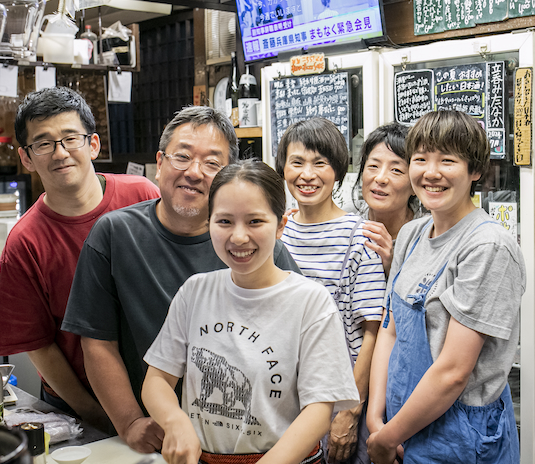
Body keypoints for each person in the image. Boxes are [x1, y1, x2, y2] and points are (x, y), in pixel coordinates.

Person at [62, 106, 300, 454]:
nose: (194, 172)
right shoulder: (114, 235)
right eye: (182, 156)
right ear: (160, 162)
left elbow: (295, 353)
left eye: (212, 163)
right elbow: (97, 342)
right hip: (158, 441)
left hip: (247, 444)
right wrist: (129, 422)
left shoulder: (257, 248)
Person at [142, 160, 359, 464]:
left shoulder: (311, 301)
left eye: (255, 221)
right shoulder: (195, 292)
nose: (239, 237)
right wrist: (176, 423)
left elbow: (320, 409)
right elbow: (157, 380)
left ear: (281, 224)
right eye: (225, 221)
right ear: (209, 222)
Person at [0, 87, 160, 431]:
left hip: (160, 390)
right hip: (80, 403)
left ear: (93, 144)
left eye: (71, 138)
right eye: (43, 143)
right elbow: (39, 346)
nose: (60, 153)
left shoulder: (142, 195)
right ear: (26, 157)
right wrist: (96, 414)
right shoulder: (24, 242)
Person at [366, 110, 526, 464]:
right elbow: (389, 330)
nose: (431, 172)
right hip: (401, 422)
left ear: (475, 171)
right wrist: (376, 418)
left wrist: (387, 437)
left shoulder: (487, 246)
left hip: (460, 434)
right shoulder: (411, 234)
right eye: (421, 159)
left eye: (447, 160)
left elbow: (454, 371)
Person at [276, 118, 386, 464]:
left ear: (337, 170)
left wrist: (350, 411)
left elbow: (372, 333)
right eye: (297, 162)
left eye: (319, 163)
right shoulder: (277, 232)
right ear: (283, 168)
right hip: (287, 398)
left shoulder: (359, 236)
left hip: (338, 400)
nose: (307, 175)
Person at [352, 122, 423, 276]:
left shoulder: (427, 235)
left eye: (396, 170)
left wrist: (391, 266)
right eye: (373, 166)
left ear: (414, 185)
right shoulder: (347, 221)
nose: (381, 178)